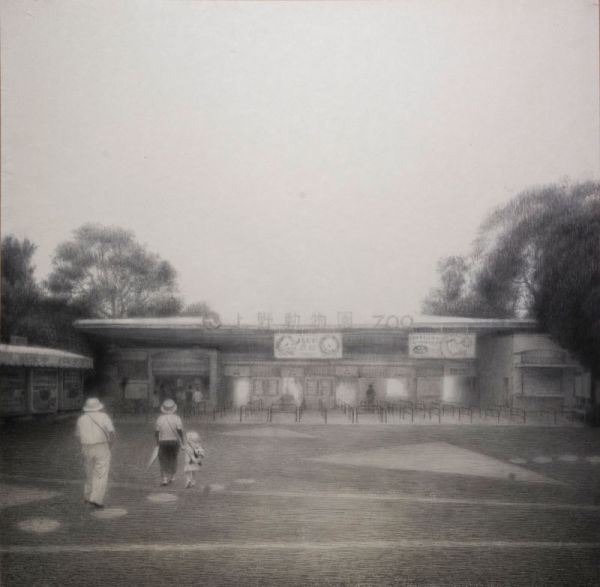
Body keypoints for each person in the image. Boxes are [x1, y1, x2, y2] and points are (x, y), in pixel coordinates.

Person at [75, 397, 115, 509]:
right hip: (102, 446)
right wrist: (110, 445)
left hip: (86, 447)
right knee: (101, 473)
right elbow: (111, 432)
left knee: (89, 472)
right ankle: (96, 499)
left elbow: (78, 435)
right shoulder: (104, 417)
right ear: (99, 406)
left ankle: (87, 496)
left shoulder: (81, 419)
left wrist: (83, 447)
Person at [155, 399, 185, 486]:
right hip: (174, 441)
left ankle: (164, 478)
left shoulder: (160, 418)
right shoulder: (177, 418)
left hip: (163, 441)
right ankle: (172, 476)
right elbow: (179, 431)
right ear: (174, 409)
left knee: (163, 459)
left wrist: (157, 442)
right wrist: (182, 441)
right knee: (173, 458)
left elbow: (156, 432)